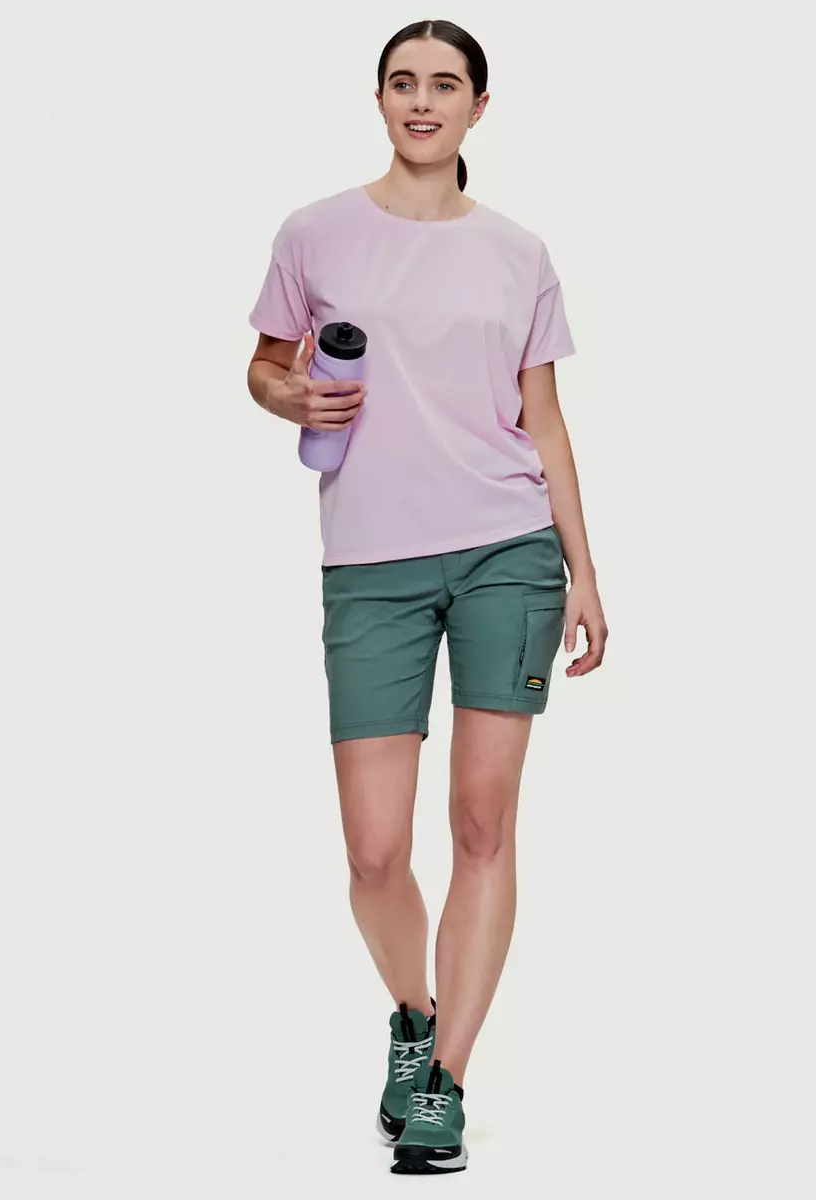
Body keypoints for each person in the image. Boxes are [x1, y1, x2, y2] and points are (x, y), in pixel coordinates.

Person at [245, 19, 607, 1176]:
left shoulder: (518, 252)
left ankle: (444, 1078)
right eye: (403, 82)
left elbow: (543, 421)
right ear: (379, 99)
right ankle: (413, 1013)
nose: (421, 101)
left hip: (508, 550)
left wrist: (584, 570)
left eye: (444, 85)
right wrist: (289, 398)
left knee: (483, 824)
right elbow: (264, 365)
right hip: (371, 563)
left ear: (476, 108)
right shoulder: (316, 233)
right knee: (372, 851)